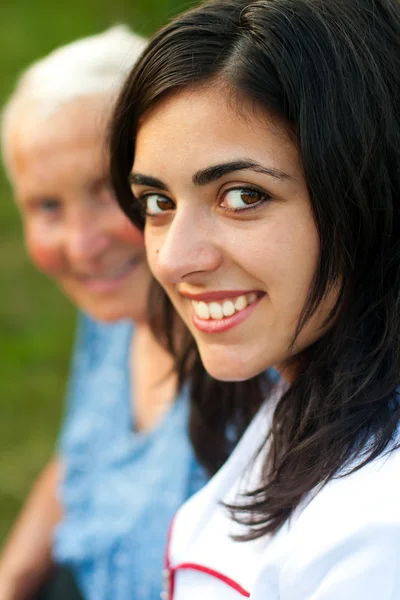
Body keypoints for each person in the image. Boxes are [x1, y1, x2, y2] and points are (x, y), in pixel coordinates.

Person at [109, 0, 400, 597]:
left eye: (242, 196)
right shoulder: (308, 394)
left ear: (369, 195)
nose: (172, 258)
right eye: (158, 203)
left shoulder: (378, 533)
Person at [0, 26, 212, 600]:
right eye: (47, 205)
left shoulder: (246, 357)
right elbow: (84, 450)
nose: (83, 244)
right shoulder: (115, 307)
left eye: (108, 189)